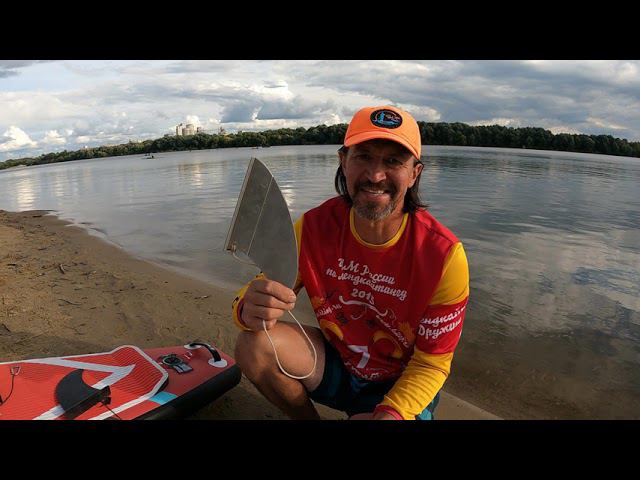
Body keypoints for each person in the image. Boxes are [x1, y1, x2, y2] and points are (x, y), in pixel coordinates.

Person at [231, 105, 469, 420]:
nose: (375, 175)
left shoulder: (443, 255)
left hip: (399, 381)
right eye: (363, 157)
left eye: (393, 161)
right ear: (344, 162)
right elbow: (265, 285)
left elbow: (432, 363)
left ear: (414, 173)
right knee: (253, 346)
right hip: (337, 366)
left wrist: (392, 413)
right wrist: (248, 307)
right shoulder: (314, 228)